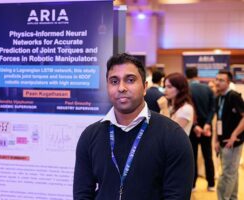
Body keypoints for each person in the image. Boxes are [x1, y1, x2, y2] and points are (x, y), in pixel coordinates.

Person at [73, 53, 194, 200]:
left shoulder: (173, 136)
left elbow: (177, 196)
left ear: (144, 87)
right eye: (114, 81)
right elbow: (82, 193)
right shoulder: (90, 135)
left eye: (130, 80)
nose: (121, 88)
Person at [214, 70, 244, 200]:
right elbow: (218, 120)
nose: (217, 82)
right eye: (217, 79)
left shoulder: (234, 96)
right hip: (222, 140)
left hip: (233, 142)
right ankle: (232, 198)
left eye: (221, 80)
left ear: (228, 82)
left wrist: (233, 135)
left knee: (227, 174)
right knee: (232, 173)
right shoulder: (219, 97)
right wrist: (215, 140)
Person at [185, 67, 215, 191]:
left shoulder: (187, 90)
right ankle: (211, 184)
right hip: (207, 126)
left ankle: (192, 185)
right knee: (208, 155)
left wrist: (195, 125)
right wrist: (207, 123)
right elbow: (213, 108)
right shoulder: (208, 88)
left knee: (193, 155)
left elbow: (189, 109)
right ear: (197, 75)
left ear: (187, 76)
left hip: (193, 126)